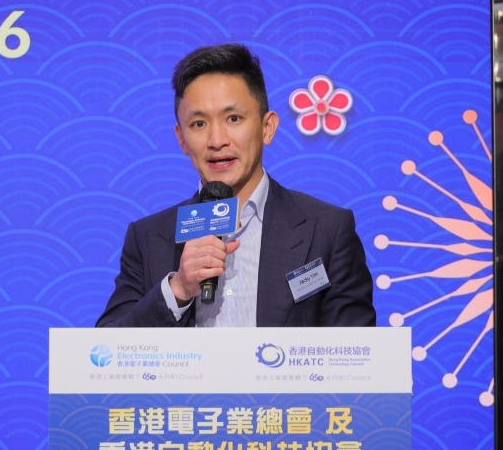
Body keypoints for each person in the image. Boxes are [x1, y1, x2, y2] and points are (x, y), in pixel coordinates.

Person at [96, 44, 375, 327]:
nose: (217, 140)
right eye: (198, 124)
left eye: (233, 119)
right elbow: (104, 347)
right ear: (181, 139)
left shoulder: (327, 231)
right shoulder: (148, 239)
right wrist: (177, 289)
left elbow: (356, 349)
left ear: (267, 127)